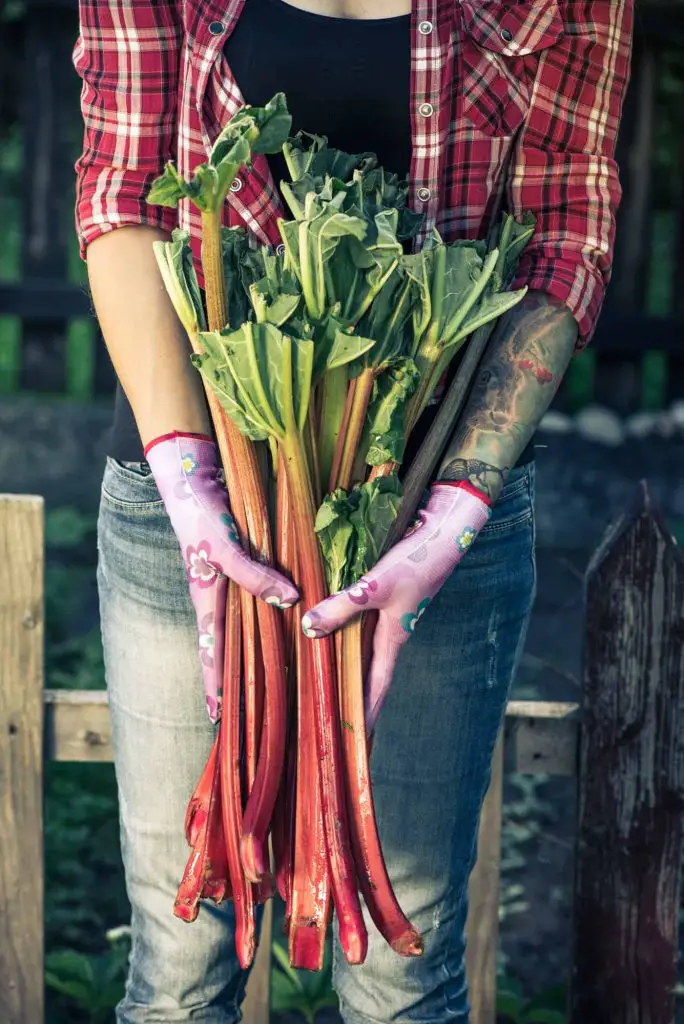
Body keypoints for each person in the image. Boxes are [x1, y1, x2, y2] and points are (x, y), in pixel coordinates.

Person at [73, 1, 633, 1021]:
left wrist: (458, 508)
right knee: (178, 970)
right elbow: (123, 188)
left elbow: (562, 232)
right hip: (186, 487)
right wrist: (194, 493)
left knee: (398, 979)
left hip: (440, 505)